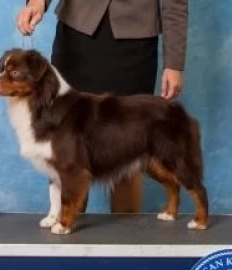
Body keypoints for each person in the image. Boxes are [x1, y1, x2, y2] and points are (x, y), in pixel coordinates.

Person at [16, 0, 187, 214]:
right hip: (76, 36)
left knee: (129, 147)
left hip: (135, 42)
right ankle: (65, 231)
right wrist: (37, 2)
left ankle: (126, 240)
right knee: (65, 145)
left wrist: (174, 64)